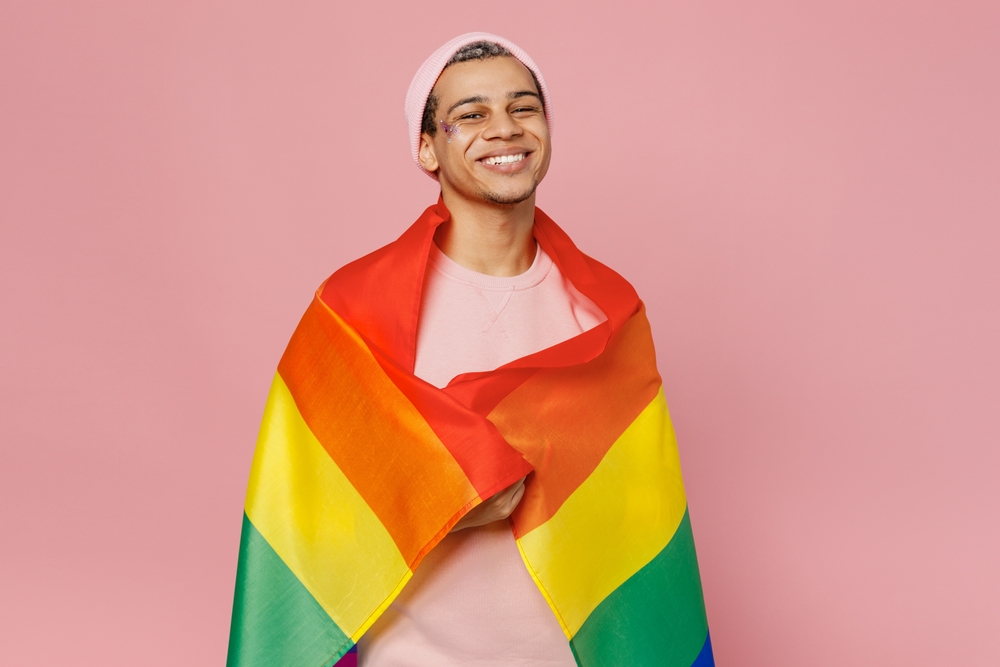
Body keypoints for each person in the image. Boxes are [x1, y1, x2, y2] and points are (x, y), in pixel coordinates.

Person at [227, 33, 713, 667]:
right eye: (471, 114)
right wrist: (443, 495)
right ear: (427, 147)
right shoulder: (352, 311)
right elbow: (305, 506)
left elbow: (640, 514)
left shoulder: (608, 313)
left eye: (523, 107)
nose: (504, 129)